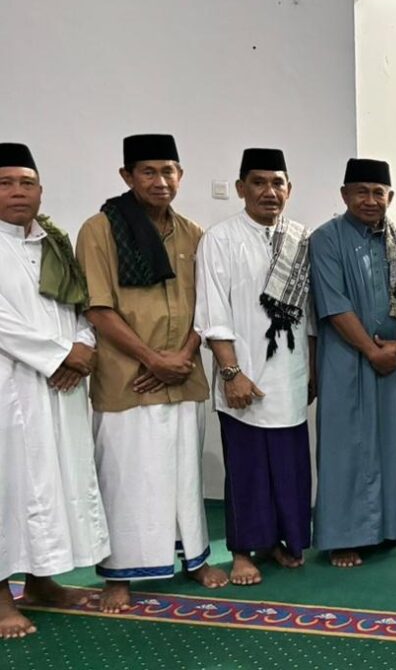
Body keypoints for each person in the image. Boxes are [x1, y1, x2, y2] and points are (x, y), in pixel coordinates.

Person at [76, 134, 226, 612]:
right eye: (148, 172)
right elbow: (98, 308)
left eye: (168, 171)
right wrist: (153, 359)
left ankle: (194, 559)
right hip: (128, 378)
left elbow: (207, 305)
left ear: (180, 175)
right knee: (126, 478)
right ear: (127, 176)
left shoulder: (193, 233)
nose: (160, 181)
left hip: (183, 374)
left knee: (184, 474)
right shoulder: (100, 229)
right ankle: (119, 574)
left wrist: (181, 356)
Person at [0, 143, 110, 639]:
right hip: (11, 387)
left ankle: (41, 581)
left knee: (50, 484)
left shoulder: (54, 243)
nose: (18, 192)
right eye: (6, 183)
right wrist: (61, 354)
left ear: (41, 191)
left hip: (59, 384)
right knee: (9, 488)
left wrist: (82, 347)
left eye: (26, 183)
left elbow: (78, 305)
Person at [195, 148, 314, 585]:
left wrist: (313, 371)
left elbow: (311, 316)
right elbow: (213, 312)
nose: (269, 191)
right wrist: (231, 373)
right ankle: (243, 551)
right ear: (241, 188)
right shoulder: (220, 239)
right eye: (259, 182)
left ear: (289, 189)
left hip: (291, 373)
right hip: (243, 375)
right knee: (247, 470)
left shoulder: (301, 238)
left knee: (288, 467)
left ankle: (280, 540)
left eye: (277, 183)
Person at [309, 158, 396, 568]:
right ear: (345, 195)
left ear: (389, 196)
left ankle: (388, 527)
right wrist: (372, 351)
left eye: (378, 193)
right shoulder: (326, 239)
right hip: (346, 359)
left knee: (390, 442)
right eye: (361, 192)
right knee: (346, 445)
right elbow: (333, 304)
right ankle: (344, 536)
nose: (371, 200)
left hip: (392, 361)